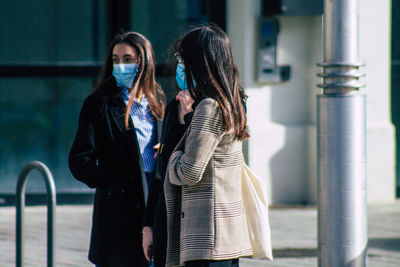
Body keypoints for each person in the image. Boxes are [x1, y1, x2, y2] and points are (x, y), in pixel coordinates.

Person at [68, 31, 165, 267]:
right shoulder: (99, 102)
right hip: (118, 209)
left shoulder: (158, 101)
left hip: (153, 199)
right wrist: (115, 182)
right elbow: (79, 160)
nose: (121, 65)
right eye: (116, 59)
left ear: (144, 61)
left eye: (128, 59)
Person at [163, 25, 252, 267]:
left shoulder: (209, 107)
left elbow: (188, 172)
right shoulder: (233, 102)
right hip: (225, 235)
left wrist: (173, 157)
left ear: (199, 61)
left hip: (206, 237)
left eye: (183, 58)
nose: (181, 66)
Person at [141, 54, 196, 266]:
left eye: (186, 62)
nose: (181, 69)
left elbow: (192, 166)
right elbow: (161, 172)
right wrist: (148, 226)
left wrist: (189, 117)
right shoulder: (174, 107)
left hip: (195, 222)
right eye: (180, 62)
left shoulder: (213, 108)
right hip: (166, 216)